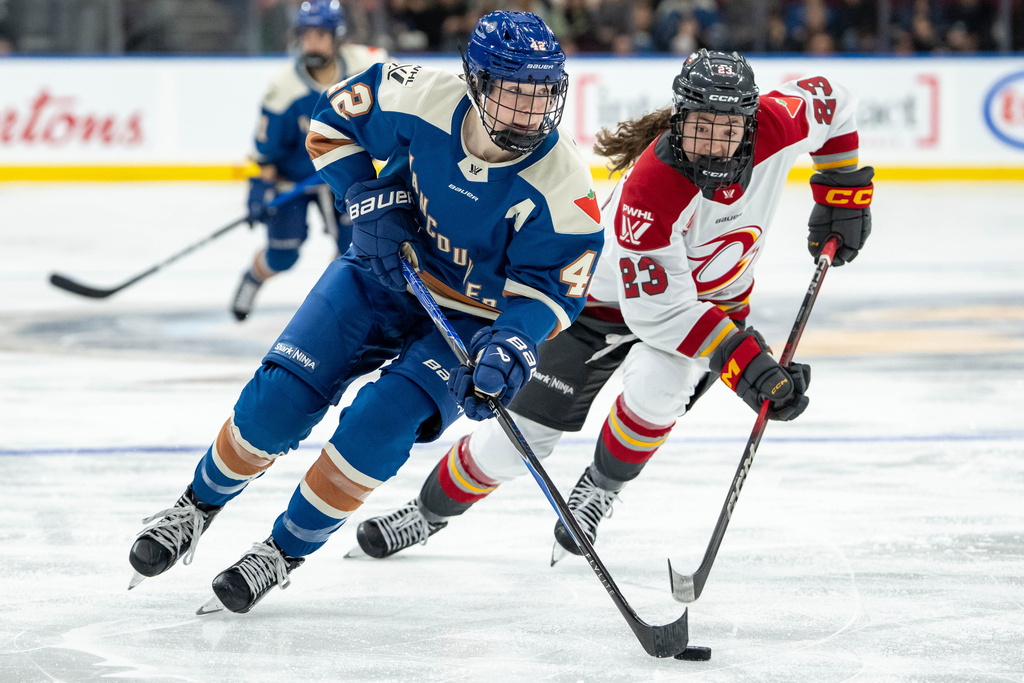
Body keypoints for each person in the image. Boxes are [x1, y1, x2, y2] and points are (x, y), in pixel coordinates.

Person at [128, 11, 604, 614]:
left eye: (540, 97)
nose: (527, 114)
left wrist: (511, 344)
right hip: (381, 275)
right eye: (511, 95)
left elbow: (551, 291)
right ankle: (195, 507)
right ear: (476, 83)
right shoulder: (415, 94)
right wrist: (364, 195)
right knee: (278, 402)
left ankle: (281, 552)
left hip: (467, 322)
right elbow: (330, 126)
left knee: (379, 426)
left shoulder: (565, 185)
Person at [352, 49, 874, 564]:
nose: (711, 148)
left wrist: (842, 191)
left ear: (751, 121)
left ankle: (600, 489)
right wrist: (745, 364)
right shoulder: (652, 189)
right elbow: (659, 313)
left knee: (660, 390)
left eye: (726, 129)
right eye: (697, 128)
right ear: (678, 119)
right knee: (518, 441)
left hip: (708, 307)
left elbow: (838, 103)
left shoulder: (782, 124)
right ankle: (426, 513)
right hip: (598, 308)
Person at [231, 0, 387, 321]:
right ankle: (253, 278)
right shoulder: (283, 88)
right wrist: (259, 190)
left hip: (345, 177)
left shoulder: (366, 68)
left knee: (354, 249)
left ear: (337, 36)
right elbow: (267, 153)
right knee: (283, 255)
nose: (312, 42)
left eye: (320, 34)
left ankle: (333, 309)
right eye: (306, 34)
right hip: (294, 180)